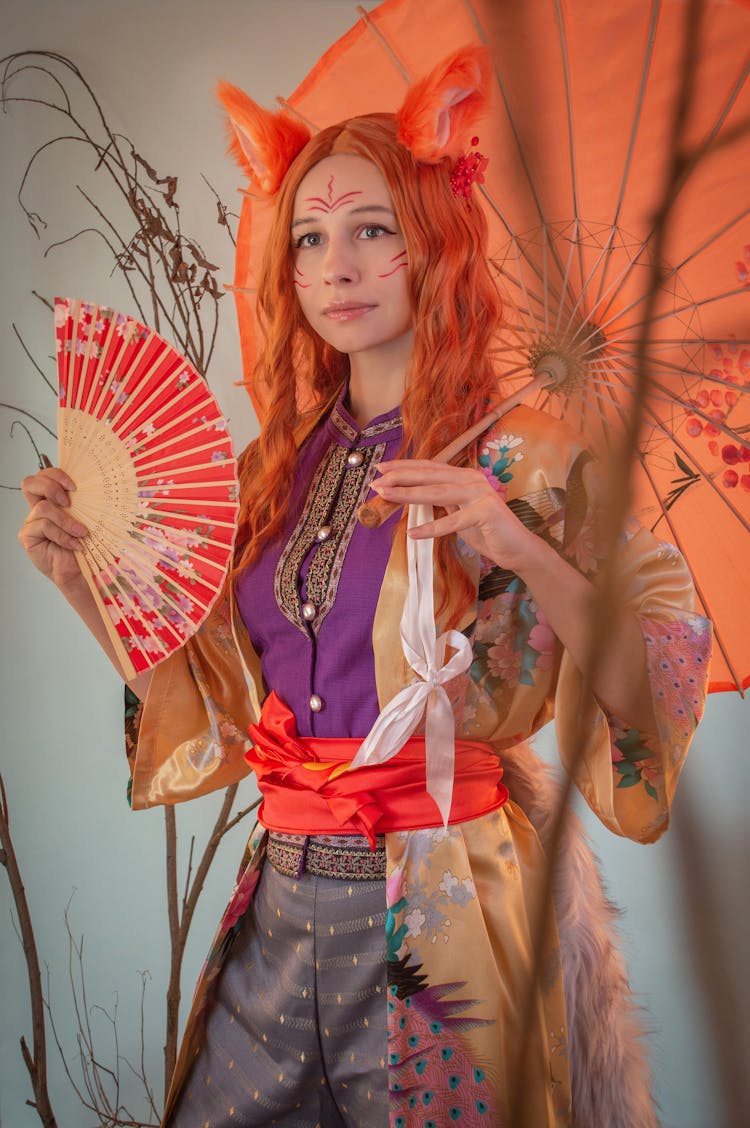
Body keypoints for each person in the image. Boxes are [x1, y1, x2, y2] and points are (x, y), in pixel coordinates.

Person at [18, 46, 711, 1128]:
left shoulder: (534, 460)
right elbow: (209, 706)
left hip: (446, 917)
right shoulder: (266, 473)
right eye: (309, 238)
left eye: (372, 230)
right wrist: (82, 582)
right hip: (279, 903)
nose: (336, 264)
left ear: (433, 245)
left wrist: (520, 545)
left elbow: (650, 676)